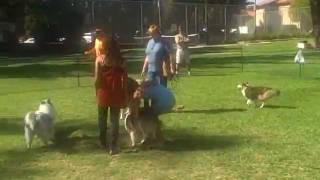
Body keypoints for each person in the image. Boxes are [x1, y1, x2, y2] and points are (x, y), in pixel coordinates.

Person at [85, 29, 127, 155]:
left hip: (103, 92)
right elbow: (125, 80)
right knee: (114, 120)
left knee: (102, 118)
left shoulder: (99, 59)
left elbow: (97, 79)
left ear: (105, 47)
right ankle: (113, 146)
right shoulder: (122, 61)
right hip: (116, 92)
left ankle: (102, 141)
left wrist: (96, 90)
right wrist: (124, 94)